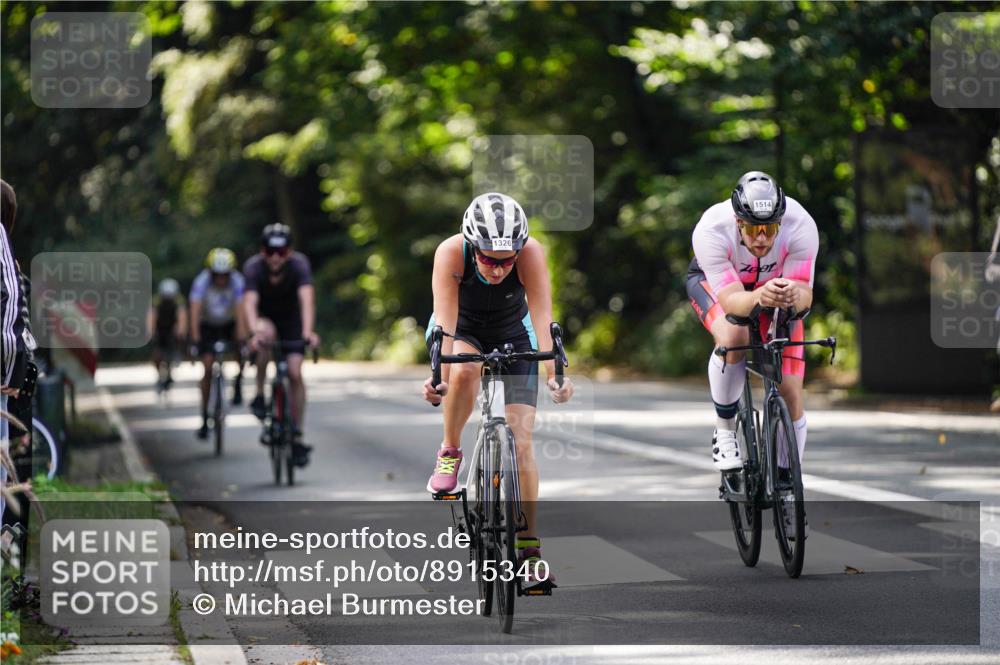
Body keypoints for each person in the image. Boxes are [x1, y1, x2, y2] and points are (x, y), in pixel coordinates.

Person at [422, 192, 574, 588]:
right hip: (462, 328)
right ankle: (450, 450)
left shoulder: (531, 253)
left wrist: (555, 373)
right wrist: (438, 376)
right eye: (488, 258)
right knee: (468, 368)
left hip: (513, 329)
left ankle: (529, 551)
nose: (497, 268)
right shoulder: (451, 253)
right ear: (473, 247)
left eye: (506, 260)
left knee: (522, 440)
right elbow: (447, 328)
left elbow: (543, 322)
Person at [687, 171, 817, 535]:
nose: (761, 239)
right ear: (738, 221)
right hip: (720, 286)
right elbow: (731, 301)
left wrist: (792, 295)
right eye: (753, 230)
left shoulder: (801, 225)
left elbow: (805, 294)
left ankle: (788, 486)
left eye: (770, 230)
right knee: (734, 332)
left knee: (791, 392)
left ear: (780, 223)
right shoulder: (711, 231)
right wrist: (759, 296)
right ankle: (725, 428)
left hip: (775, 289)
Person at [243, 224, 318, 467]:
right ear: (262, 251)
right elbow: (250, 303)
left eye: (282, 251)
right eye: (270, 251)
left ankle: (296, 433)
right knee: (265, 334)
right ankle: (259, 393)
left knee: (295, 372)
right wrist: (253, 332)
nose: (276, 257)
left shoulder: (299, 265)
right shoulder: (253, 267)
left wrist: (308, 332)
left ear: (289, 251)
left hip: (292, 321)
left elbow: (306, 300)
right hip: (265, 319)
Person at [190, 248, 247, 439]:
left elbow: (241, 311)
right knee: (207, 367)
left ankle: (238, 380)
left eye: (225, 275)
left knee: (242, 344)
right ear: (210, 272)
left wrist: (241, 336)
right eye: (217, 275)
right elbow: (194, 312)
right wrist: (196, 338)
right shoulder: (201, 282)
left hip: (229, 322)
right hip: (208, 324)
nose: (221, 279)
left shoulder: (238, 281)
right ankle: (205, 416)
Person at [147, 278, 187, 392]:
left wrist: (181, 331)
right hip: (160, 328)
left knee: (174, 345)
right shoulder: (156, 300)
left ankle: (172, 365)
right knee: (157, 354)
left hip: (172, 328)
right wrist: (151, 332)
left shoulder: (179, 300)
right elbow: (151, 317)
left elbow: (182, 316)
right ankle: (159, 375)